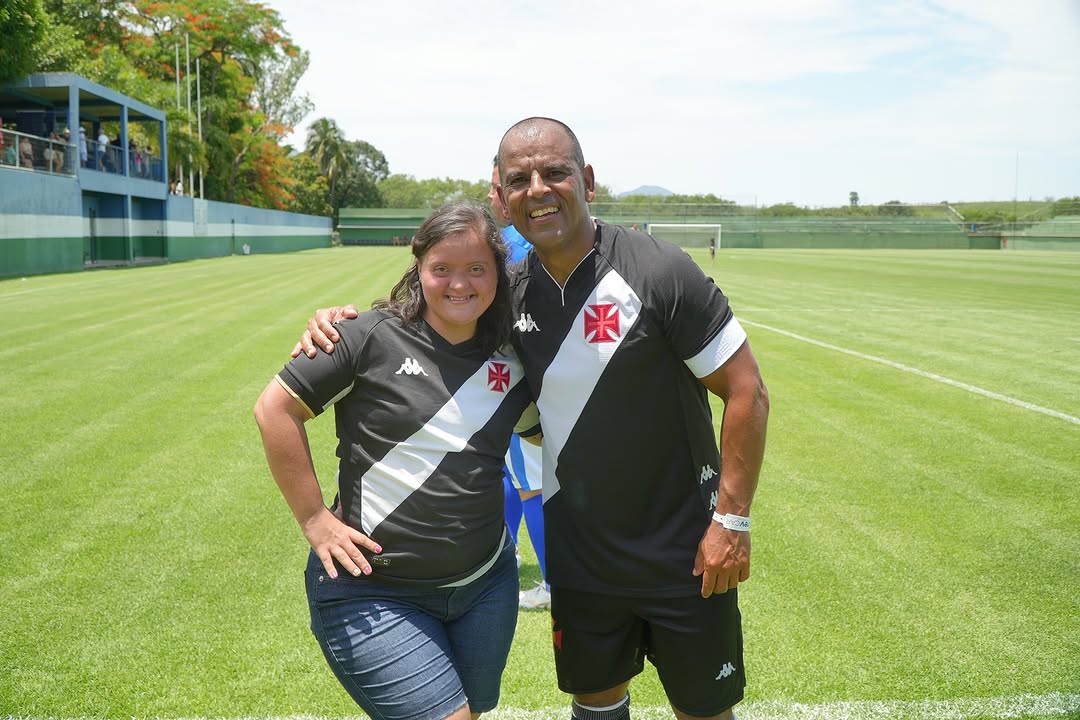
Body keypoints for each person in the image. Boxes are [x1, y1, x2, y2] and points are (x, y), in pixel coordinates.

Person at [296, 118, 769, 720]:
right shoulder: (506, 296)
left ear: (587, 180)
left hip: (686, 550)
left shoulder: (660, 272)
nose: (538, 189)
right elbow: (426, 319)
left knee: (703, 711)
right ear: (501, 198)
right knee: (597, 703)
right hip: (582, 555)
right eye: (519, 179)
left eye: (555, 172)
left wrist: (730, 520)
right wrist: (337, 326)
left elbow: (747, 392)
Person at [255, 200, 536, 720]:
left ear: (499, 273)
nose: (459, 284)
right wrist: (315, 519)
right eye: (442, 268)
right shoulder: (365, 336)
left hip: (485, 584)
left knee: (471, 711)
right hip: (371, 590)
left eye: (477, 268)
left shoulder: (515, 357)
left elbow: (547, 431)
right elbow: (275, 410)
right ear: (419, 268)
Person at [487, 157, 549, 611]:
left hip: (520, 384)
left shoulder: (515, 244)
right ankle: (503, 555)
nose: (494, 196)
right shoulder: (526, 239)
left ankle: (552, 582)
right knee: (510, 474)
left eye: (497, 187)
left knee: (531, 483)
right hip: (512, 382)